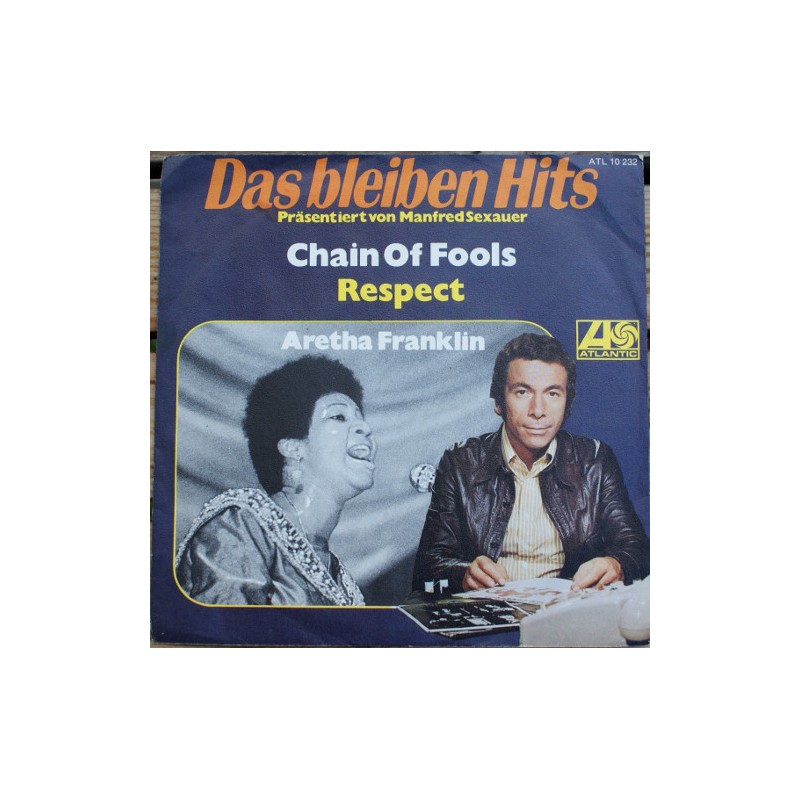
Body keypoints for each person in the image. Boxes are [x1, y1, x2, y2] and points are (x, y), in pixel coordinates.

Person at [411, 332, 649, 594]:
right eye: (522, 392)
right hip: (487, 612)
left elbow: (636, 547)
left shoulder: (595, 461)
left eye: (553, 393)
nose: (538, 410)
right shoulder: (460, 464)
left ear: (567, 402)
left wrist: (615, 564)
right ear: (499, 402)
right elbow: (427, 568)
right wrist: (463, 574)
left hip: (568, 612)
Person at [176, 356, 376, 605]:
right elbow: (224, 625)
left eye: (360, 417)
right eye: (339, 416)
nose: (364, 428)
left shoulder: (340, 577)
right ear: (293, 448)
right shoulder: (240, 526)